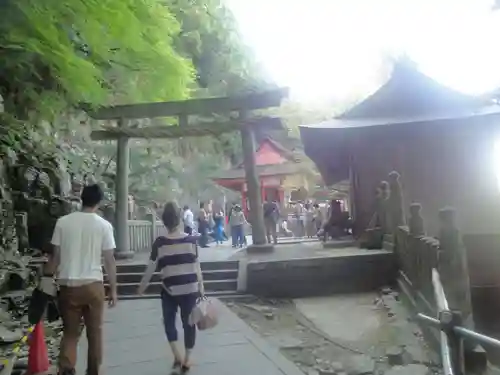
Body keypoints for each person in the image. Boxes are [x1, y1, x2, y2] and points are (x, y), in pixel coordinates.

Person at [43, 184, 117, 375]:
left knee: (70, 332)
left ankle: (67, 369)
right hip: (93, 286)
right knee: (95, 333)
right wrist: (114, 289)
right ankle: (93, 371)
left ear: (81, 198)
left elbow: (55, 257)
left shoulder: (63, 222)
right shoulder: (104, 225)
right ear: (99, 202)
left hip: (68, 285)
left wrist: (45, 282)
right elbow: (109, 260)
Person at [137, 202, 204, 372]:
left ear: (164, 221)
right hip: (190, 290)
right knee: (189, 324)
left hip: (169, 291)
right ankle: (187, 359)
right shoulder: (191, 241)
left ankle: (178, 356)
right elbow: (197, 267)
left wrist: (142, 287)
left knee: (169, 323)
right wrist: (202, 288)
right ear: (180, 219)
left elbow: (151, 267)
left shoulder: (160, 243)